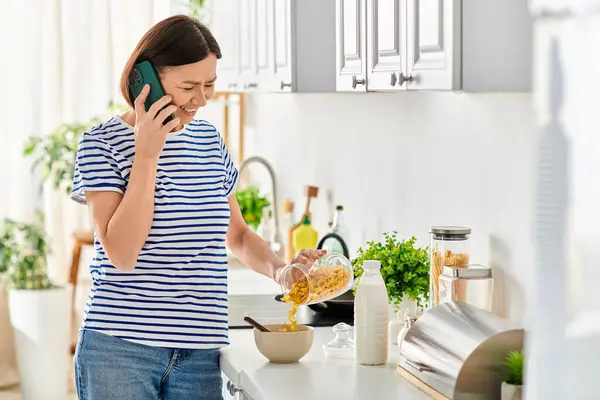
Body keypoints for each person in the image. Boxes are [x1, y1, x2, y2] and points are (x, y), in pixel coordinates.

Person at [71, 15, 323, 400]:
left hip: (199, 353)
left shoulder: (208, 139)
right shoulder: (101, 144)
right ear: (146, 80)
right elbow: (121, 253)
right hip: (119, 351)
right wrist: (146, 155)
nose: (202, 99)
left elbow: (237, 234)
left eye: (209, 85)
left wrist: (282, 270)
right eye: (189, 86)